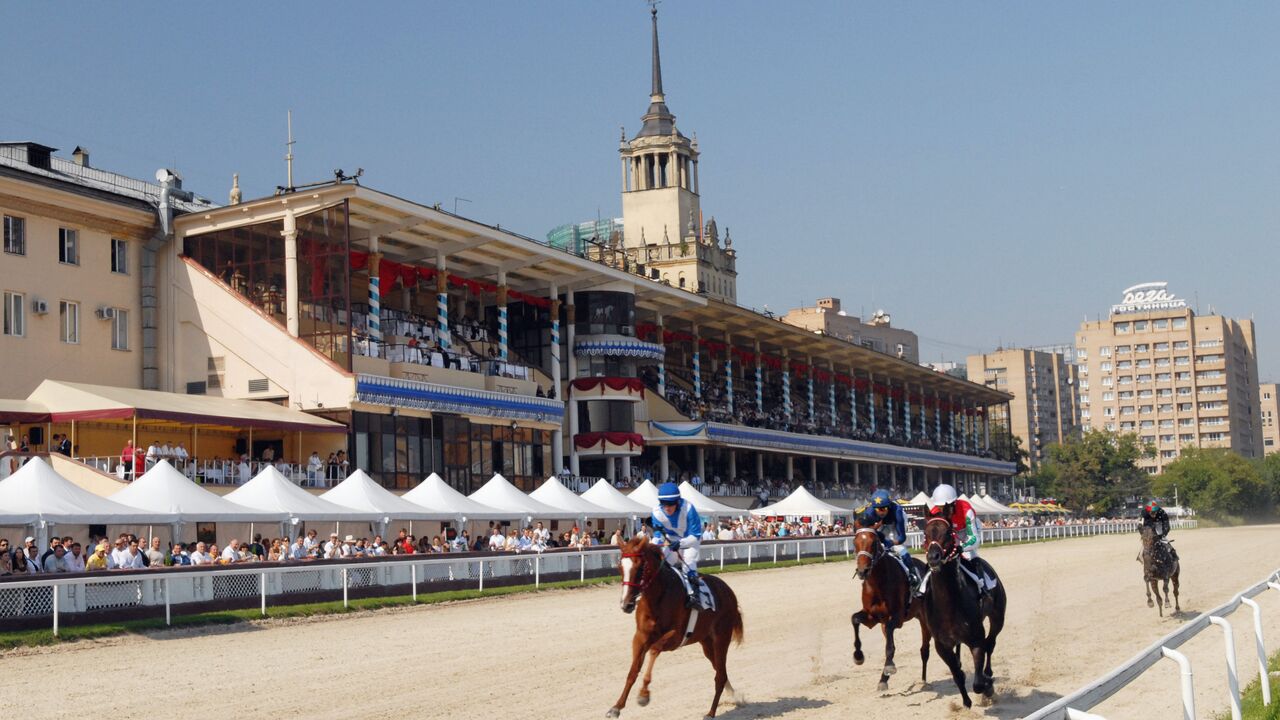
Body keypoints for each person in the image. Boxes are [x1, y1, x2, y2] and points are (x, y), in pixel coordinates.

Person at [927, 483, 994, 596]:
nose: (943, 511)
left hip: (967, 532)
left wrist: (961, 548)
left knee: (971, 556)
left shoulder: (967, 511)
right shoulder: (934, 511)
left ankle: (983, 588)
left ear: (954, 503)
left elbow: (975, 539)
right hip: (951, 533)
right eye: (940, 508)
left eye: (945, 507)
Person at [649, 482, 703, 608]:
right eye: (664, 504)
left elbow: (695, 536)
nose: (667, 508)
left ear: (678, 502)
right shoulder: (656, 512)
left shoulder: (689, 509)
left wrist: (680, 543)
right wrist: (652, 546)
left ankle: (695, 596)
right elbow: (658, 535)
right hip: (671, 541)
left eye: (671, 504)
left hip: (690, 541)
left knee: (688, 565)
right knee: (662, 565)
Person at [858, 489, 920, 589]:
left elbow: (902, 538)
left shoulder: (897, 511)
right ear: (874, 508)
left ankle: (913, 573)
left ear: (890, 506)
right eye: (878, 509)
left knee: (900, 548)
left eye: (884, 508)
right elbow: (867, 532)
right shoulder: (869, 512)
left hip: (894, 522)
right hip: (880, 524)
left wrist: (891, 542)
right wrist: (880, 536)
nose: (881, 512)